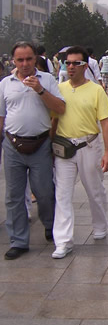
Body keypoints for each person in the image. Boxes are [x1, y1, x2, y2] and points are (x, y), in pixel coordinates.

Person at [0, 41, 66, 260]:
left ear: (35, 58)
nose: (25, 64)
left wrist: (39, 90)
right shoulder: (5, 84)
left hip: (40, 144)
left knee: (44, 191)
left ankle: (49, 224)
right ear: (13, 61)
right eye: (20, 60)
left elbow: (60, 108)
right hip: (13, 145)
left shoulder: (47, 80)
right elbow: (1, 116)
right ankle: (18, 240)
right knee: (14, 196)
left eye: (29, 59)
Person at [51, 46, 108, 259]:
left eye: (75, 63)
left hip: (89, 145)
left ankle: (100, 225)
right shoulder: (59, 89)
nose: (70, 67)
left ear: (85, 66)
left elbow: (105, 123)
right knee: (62, 194)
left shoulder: (96, 90)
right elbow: (54, 119)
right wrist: (50, 145)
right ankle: (63, 241)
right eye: (67, 63)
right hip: (64, 148)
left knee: (95, 190)